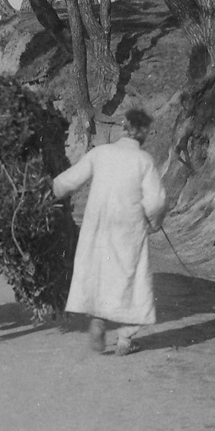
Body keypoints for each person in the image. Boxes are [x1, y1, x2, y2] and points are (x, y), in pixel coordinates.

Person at [48, 108, 167, 356]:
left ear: (124, 128)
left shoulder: (100, 153)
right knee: (131, 279)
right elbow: (155, 202)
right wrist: (155, 222)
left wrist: (48, 193)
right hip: (129, 228)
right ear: (143, 134)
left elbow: (68, 180)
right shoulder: (143, 160)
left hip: (98, 226)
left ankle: (99, 319)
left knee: (100, 273)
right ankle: (125, 338)